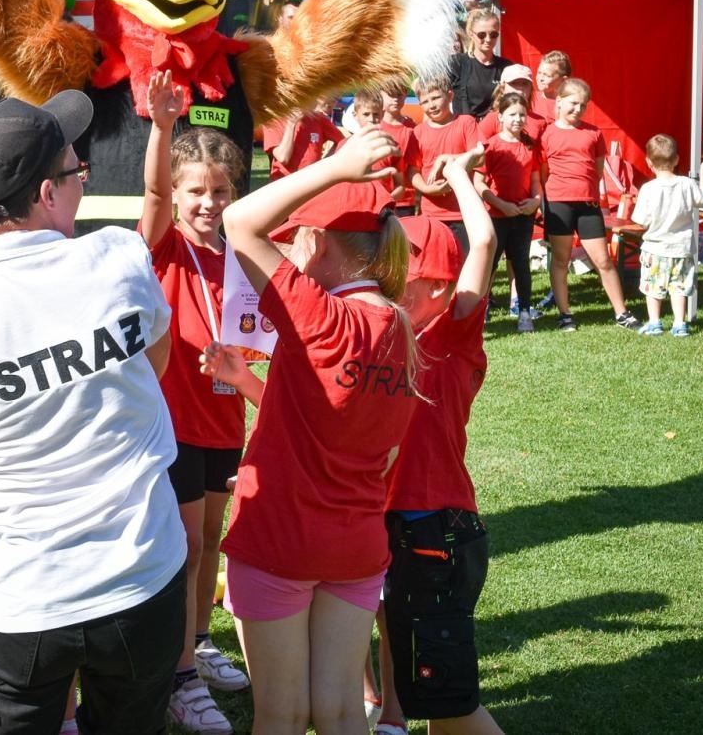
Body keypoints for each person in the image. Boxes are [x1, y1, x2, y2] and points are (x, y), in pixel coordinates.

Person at [0, 90, 186, 735]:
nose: (81, 181)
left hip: (20, 593)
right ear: (45, 193)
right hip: (141, 573)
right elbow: (157, 367)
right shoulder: (119, 258)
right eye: (74, 169)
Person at [210, 126, 418, 735]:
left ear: (316, 241)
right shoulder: (404, 331)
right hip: (355, 544)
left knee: (281, 714)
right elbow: (372, 448)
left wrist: (336, 167)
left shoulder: (319, 313)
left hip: (279, 537)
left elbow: (240, 222)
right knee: (341, 713)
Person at [374, 148, 505, 735]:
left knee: (450, 707)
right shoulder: (382, 331)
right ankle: (391, 717)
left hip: (436, 534)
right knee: (407, 660)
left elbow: (483, 244)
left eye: (398, 266)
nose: (384, 275)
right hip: (398, 526)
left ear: (434, 281)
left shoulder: (452, 332)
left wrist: (455, 176)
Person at [139, 71, 251, 734]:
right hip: (174, 417)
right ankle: (180, 676)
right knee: (182, 544)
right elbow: (152, 195)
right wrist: (160, 129)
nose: (208, 204)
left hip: (223, 413)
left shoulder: (238, 251)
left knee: (211, 538)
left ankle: (199, 641)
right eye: (197, 192)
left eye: (221, 192)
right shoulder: (161, 245)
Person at [542, 78, 638, 331]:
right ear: (559, 101)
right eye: (573, 103)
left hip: (587, 204)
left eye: (583, 105)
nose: (578, 109)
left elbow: (596, 173)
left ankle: (622, 313)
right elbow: (542, 172)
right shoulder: (546, 133)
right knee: (561, 261)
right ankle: (565, 314)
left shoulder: (594, 133)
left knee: (603, 261)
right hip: (558, 203)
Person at [630, 134, 703, 337]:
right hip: (681, 248)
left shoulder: (647, 189)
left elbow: (640, 220)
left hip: (655, 248)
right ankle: (678, 324)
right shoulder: (686, 184)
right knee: (679, 288)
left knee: (652, 287)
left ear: (648, 162)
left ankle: (655, 322)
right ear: (676, 160)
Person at [475, 91, 542, 333]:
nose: (518, 119)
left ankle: (524, 311)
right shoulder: (491, 146)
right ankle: (479, 310)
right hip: (496, 216)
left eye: (522, 114)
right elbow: (479, 183)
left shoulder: (530, 145)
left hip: (523, 216)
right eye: (512, 114)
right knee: (489, 265)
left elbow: (535, 179)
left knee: (520, 263)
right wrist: (500, 205)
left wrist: (536, 200)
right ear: (500, 116)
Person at [412, 77, 481, 250]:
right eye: (425, 102)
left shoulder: (466, 123)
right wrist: (428, 189)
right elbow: (412, 171)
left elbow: (479, 157)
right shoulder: (418, 132)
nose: (431, 105)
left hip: (463, 211)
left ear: (450, 96)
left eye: (435, 98)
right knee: (436, 270)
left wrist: (446, 157)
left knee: (464, 267)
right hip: (431, 213)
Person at [348, 88, 423, 212]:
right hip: (357, 207)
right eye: (366, 114)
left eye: (376, 114)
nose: (371, 119)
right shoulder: (345, 146)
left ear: (381, 115)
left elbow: (400, 185)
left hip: (389, 208)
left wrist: (384, 202)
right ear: (355, 115)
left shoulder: (391, 146)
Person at [447, 6, 512, 119]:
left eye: (493, 34)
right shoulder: (457, 63)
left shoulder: (507, 67)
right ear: (471, 34)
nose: (488, 39)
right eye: (482, 35)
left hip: (494, 131)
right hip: (464, 131)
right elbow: (435, 96)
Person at [262, 94, 341, 182]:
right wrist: (291, 124)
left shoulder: (319, 119)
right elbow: (283, 158)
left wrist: (324, 162)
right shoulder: (274, 122)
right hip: (284, 182)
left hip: (311, 181)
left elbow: (342, 142)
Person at [476, 64, 543, 144]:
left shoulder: (540, 121)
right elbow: (478, 148)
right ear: (502, 88)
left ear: (531, 88)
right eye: (514, 83)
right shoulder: (493, 119)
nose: (520, 88)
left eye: (524, 84)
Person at [531, 50, 571, 124]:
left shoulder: (567, 104)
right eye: (539, 72)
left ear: (563, 80)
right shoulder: (530, 98)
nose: (540, 78)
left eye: (547, 75)